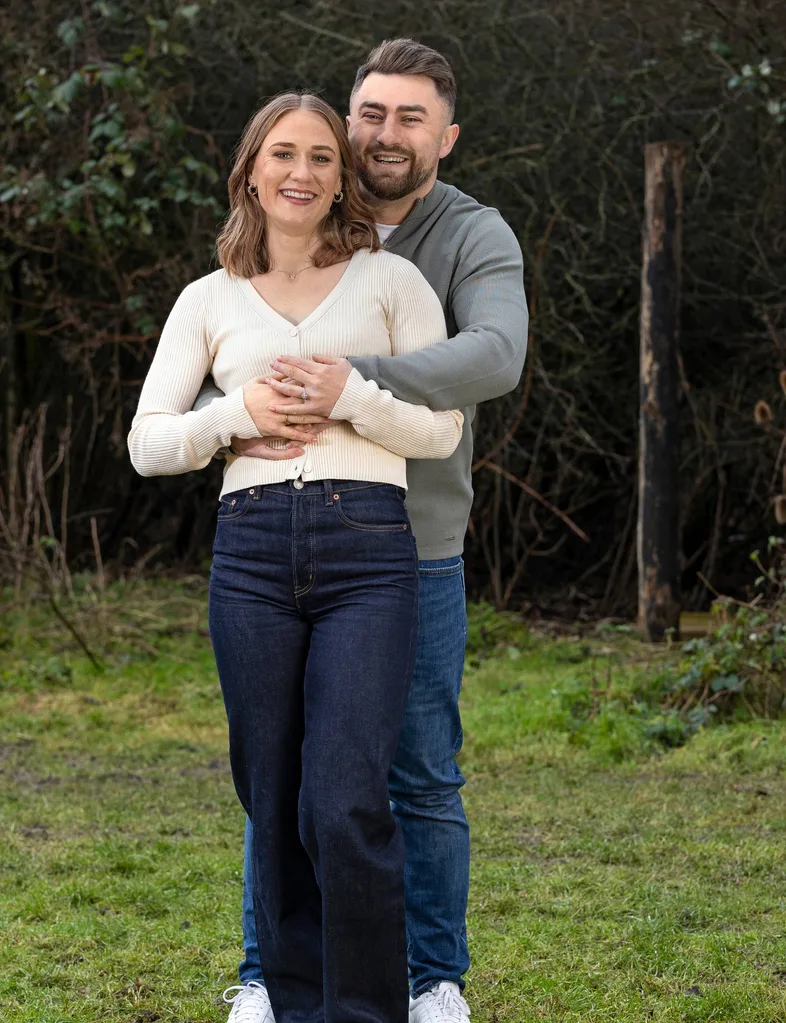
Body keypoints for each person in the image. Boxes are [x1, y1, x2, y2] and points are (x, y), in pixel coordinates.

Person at [206, 39, 529, 1023]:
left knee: (419, 770)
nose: (387, 135)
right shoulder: (293, 214)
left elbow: (497, 352)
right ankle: (268, 975)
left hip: (414, 551)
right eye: (373, 114)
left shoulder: (474, 235)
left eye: (411, 117)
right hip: (279, 538)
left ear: (448, 135)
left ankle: (434, 979)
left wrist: (356, 381)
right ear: (345, 121)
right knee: (278, 768)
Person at [128, 91, 465, 1023]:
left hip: (367, 550)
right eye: (283, 154)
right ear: (250, 171)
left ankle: (365, 1012)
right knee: (272, 796)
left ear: (340, 176)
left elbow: (440, 430)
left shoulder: (391, 284)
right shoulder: (209, 299)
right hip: (252, 557)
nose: (302, 172)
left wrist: (350, 393)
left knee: (346, 798)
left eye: (322, 156)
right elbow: (146, 442)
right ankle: (290, 999)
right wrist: (238, 417)